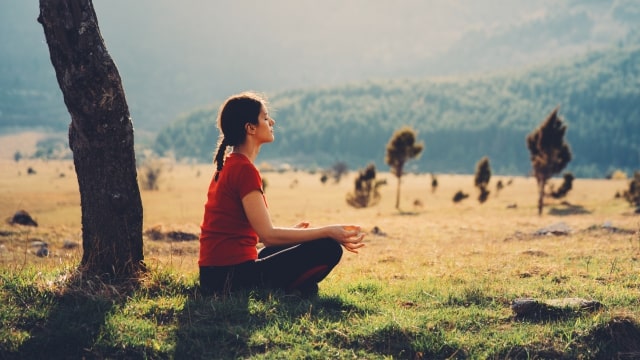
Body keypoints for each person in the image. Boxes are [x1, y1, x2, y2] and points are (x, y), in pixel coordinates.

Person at [199, 91, 365, 296]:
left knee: (283, 250)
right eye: (265, 117)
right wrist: (328, 231)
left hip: (214, 275)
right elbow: (268, 236)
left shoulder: (228, 166)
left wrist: (295, 236)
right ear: (250, 128)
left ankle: (296, 286)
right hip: (231, 278)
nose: (272, 122)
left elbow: (254, 234)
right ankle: (292, 288)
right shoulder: (243, 170)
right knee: (328, 248)